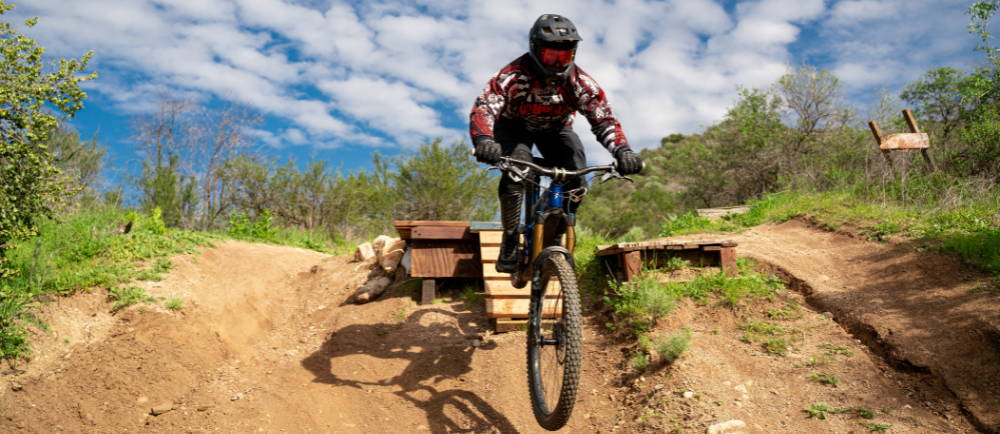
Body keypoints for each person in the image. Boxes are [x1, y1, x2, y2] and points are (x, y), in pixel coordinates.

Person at [469, 13, 643, 273]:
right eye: (551, 56)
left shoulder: (581, 83)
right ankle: (510, 237)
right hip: (514, 128)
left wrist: (623, 151)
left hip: (556, 130)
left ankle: (555, 233)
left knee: (576, 177)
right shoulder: (513, 75)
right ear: (535, 50)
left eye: (565, 56)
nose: (558, 63)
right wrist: (484, 140)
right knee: (518, 169)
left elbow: (603, 120)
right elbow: (485, 107)